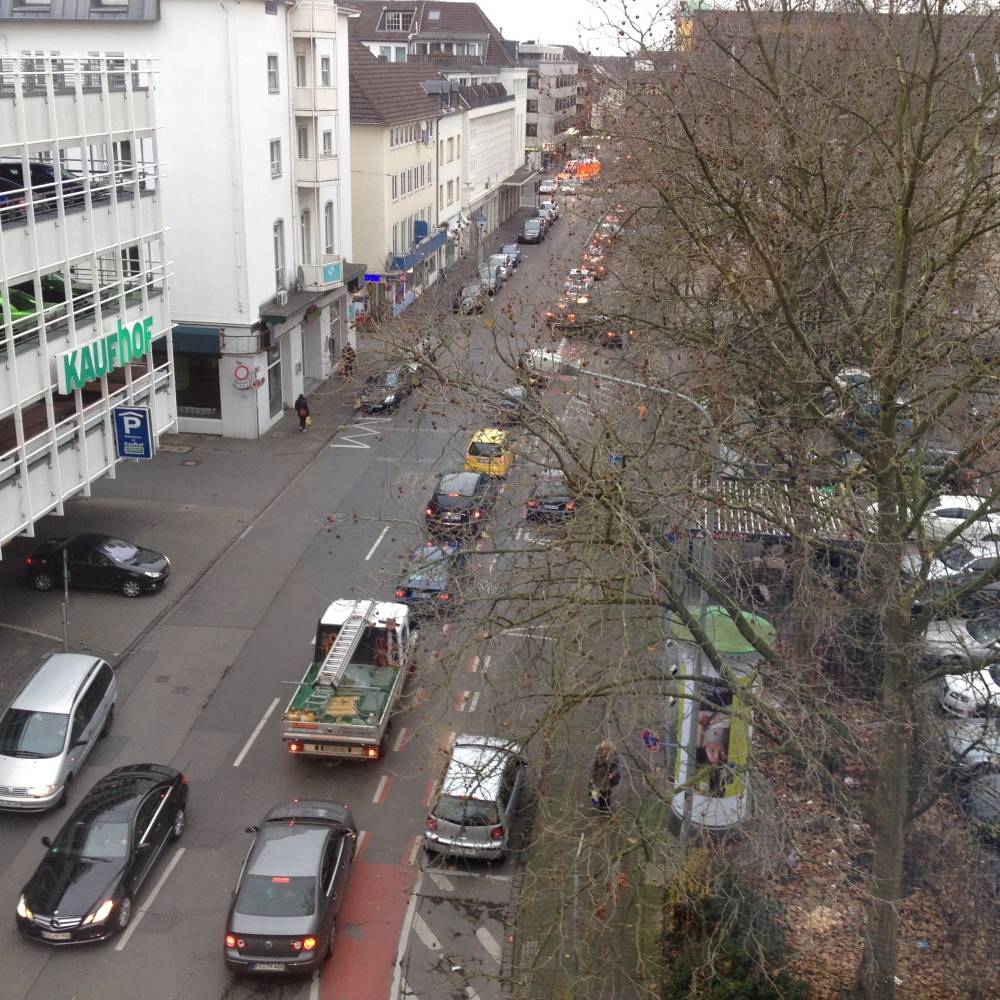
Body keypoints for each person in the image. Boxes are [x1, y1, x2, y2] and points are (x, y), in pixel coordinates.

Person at [589, 739, 621, 813]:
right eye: (604, 748)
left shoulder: (614, 756)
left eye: (606, 748)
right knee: (599, 793)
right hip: (598, 776)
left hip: (608, 777)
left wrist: (612, 774)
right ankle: (601, 809)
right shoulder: (598, 755)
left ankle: (606, 808)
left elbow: (616, 767)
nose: (605, 750)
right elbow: (594, 766)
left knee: (607, 793)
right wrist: (592, 777)